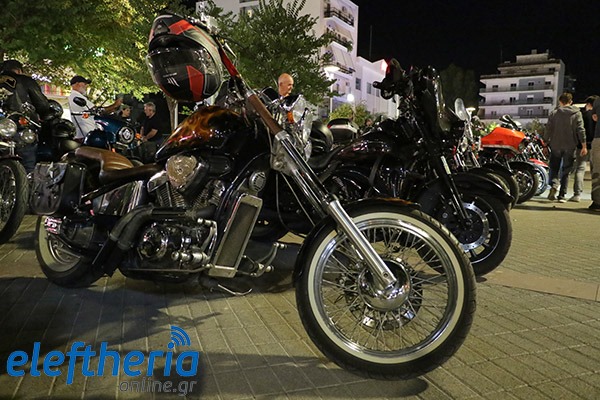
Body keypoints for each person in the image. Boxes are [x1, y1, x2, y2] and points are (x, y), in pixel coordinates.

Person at [0, 59, 51, 172]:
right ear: (19, 70)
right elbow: (42, 105)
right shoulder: (25, 80)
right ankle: (27, 181)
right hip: (22, 127)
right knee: (27, 163)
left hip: (3, 127)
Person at [543, 92, 586, 202]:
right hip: (570, 146)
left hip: (555, 145)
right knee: (566, 171)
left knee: (554, 168)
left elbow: (548, 129)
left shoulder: (554, 113)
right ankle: (562, 196)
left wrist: (545, 143)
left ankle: (554, 185)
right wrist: (584, 145)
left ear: (560, 101)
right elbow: (580, 130)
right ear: (571, 102)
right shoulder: (577, 113)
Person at [68, 75, 122, 141]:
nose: (86, 86)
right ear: (77, 84)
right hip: (86, 135)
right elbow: (97, 110)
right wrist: (115, 105)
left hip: (88, 133)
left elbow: (94, 113)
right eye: (84, 84)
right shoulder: (75, 96)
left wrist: (112, 109)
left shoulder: (76, 96)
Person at [570, 96, 598, 202]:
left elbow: (578, 130)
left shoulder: (582, 115)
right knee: (595, 171)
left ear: (589, 104)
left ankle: (577, 194)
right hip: (595, 145)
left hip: (582, 145)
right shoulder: (597, 116)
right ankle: (596, 196)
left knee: (580, 169)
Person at [589, 96, 600, 211]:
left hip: (599, 138)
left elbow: (594, 118)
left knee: (597, 171)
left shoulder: (597, 101)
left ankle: (597, 202)